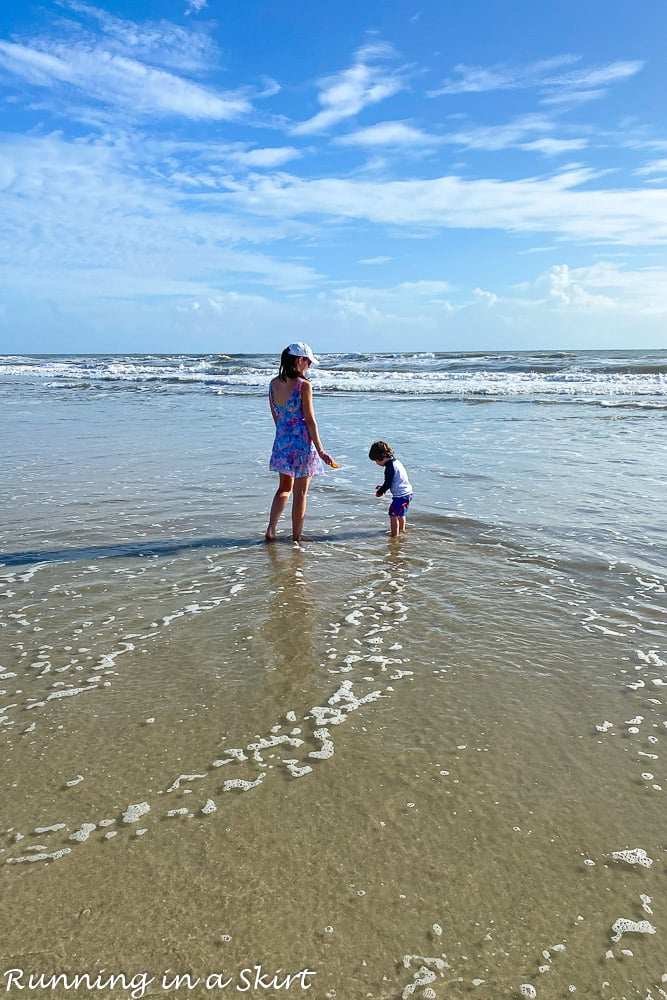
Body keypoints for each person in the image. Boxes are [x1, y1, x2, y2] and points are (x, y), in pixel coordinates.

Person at [265, 342, 335, 543]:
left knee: (284, 489)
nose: (309, 366)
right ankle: (296, 537)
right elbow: (310, 420)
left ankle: (271, 529)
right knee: (300, 493)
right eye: (308, 362)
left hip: (281, 443)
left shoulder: (273, 383)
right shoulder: (303, 386)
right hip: (302, 446)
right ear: (299, 360)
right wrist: (321, 450)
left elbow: (276, 416)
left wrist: (284, 436)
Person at [369, 440, 413, 537]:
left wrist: (380, 492)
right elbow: (395, 481)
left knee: (392, 514)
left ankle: (394, 536)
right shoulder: (396, 462)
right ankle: (402, 530)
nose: (376, 463)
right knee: (400, 514)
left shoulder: (390, 467)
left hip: (400, 496)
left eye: (376, 460)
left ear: (381, 457)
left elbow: (388, 483)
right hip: (408, 493)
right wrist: (383, 487)